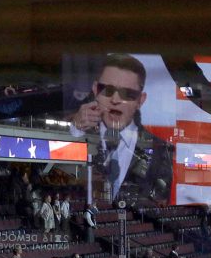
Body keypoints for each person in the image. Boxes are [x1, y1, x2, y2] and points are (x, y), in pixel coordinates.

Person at [69, 53, 172, 206]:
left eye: (128, 94)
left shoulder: (159, 149)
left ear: (140, 100)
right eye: (108, 90)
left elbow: (161, 198)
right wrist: (74, 129)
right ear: (95, 90)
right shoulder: (76, 132)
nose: (115, 100)